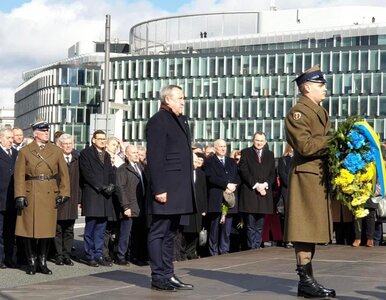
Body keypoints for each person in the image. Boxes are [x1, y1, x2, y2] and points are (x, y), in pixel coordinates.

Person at [284, 65, 336, 298]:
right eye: (320, 85)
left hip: (316, 176)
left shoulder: (319, 111)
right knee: (304, 230)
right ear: (306, 88)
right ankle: (305, 280)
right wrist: (333, 140)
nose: (324, 89)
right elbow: (304, 146)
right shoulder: (298, 113)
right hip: (306, 177)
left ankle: (307, 281)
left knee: (311, 230)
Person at [146, 84, 195, 291]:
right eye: (179, 98)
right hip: (165, 187)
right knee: (159, 232)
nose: (183, 101)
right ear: (167, 99)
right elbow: (155, 157)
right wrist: (159, 189)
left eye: (183, 98)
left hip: (178, 188)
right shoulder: (158, 121)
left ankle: (168, 273)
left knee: (171, 233)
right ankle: (158, 276)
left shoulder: (180, 120)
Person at [14, 119, 70, 275]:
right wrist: (19, 195)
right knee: (29, 230)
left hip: (49, 193)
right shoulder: (25, 151)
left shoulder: (56, 150)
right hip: (30, 192)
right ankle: (31, 262)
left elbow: (64, 174)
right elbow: (19, 175)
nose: (46, 133)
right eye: (43, 131)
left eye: (47, 131)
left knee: (46, 231)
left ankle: (43, 262)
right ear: (35, 133)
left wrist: (64, 192)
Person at [79, 130, 115, 267]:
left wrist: (112, 185)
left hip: (105, 196)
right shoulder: (86, 153)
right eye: (99, 138)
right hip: (93, 194)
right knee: (91, 227)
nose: (102, 141)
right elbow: (87, 174)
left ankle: (98, 254)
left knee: (101, 227)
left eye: (104, 139)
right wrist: (100, 187)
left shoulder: (106, 155)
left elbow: (111, 172)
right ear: (93, 140)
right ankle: (90, 255)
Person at [238, 132, 276, 249]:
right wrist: (256, 185)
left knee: (260, 225)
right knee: (250, 225)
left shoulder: (270, 154)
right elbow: (244, 171)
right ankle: (251, 247)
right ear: (253, 140)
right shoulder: (245, 153)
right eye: (257, 140)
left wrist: (265, 184)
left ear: (265, 142)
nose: (259, 143)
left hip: (264, 193)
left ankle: (257, 246)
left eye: (262, 141)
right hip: (250, 192)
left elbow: (272, 174)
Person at [204, 139, 240, 256]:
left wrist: (233, 186)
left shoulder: (231, 161)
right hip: (216, 198)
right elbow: (211, 177)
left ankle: (224, 249)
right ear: (215, 148)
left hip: (229, 197)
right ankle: (213, 251)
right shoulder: (209, 161)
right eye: (220, 146)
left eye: (225, 146)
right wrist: (225, 185)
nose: (223, 148)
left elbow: (237, 176)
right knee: (214, 227)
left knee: (227, 228)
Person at [115, 144, 144, 265]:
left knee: (137, 234)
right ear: (127, 155)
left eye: (137, 153)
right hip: (129, 206)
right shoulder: (123, 169)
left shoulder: (140, 167)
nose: (136, 155)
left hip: (140, 206)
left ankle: (134, 256)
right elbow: (120, 188)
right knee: (125, 234)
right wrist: (125, 206)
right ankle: (121, 256)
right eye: (134, 153)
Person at [54, 134, 80, 266]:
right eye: (66, 144)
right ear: (60, 145)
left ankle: (67, 255)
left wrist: (79, 199)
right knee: (57, 229)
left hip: (73, 199)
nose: (69, 146)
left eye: (70, 143)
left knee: (69, 229)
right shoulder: (56, 159)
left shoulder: (76, 158)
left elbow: (80, 181)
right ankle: (58, 255)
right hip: (59, 198)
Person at [0, 128, 18, 268]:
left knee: (10, 232)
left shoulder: (16, 153)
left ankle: (9, 257)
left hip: (12, 199)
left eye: (12, 138)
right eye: (8, 138)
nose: (11, 140)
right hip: (0, 198)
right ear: (1, 138)